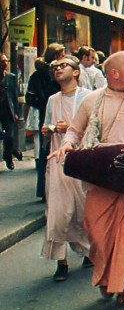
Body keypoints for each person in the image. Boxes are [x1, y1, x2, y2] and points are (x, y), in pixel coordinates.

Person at [52, 51, 124, 306]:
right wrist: (67, 145)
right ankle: (106, 277)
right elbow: (74, 130)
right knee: (99, 236)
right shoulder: (92, 100)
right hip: (102, 178)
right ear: (114, 73)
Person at [40, 56, 91, 281]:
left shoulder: (88, 98)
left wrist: (70, 128)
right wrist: (47, 131)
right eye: (54, 67)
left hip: (80, 161)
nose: (57, 69)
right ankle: (61, 261)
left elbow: (94, 131)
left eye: (63, 66)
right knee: (57, 213)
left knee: (81, 211)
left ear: (76, 72)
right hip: (56, 161)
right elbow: (46, 127)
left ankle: (90, 250)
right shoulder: (52, 100)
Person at [26, 43, 64, 199]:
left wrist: (41, 104)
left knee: (46, 151)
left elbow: (30, 97)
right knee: (53, 150)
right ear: (55, 56)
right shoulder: (54, 74)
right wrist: (45, 103)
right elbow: (31, 97)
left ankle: (44, 190)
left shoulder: (37, 75)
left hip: (46, 116)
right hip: (52, 115)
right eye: (61, 55)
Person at [0, 53, 22, 170]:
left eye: (6, 61)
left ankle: (8, 157)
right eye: (2, 61)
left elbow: (15, 96)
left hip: (8, 110)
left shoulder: (11, 77)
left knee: (10, 136)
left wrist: (16, 112)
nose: (5, 63)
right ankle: (13, 151)